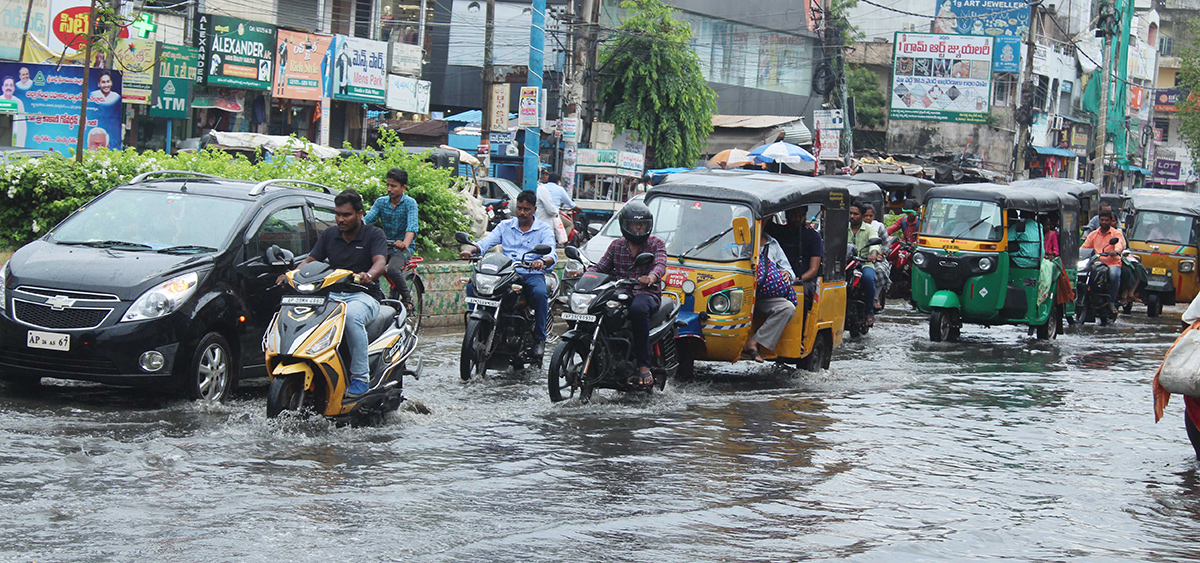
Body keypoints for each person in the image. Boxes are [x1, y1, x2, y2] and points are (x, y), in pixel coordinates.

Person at [277, 189, 387, 397]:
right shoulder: (329, 235)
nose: (340, 219)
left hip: (363, 296)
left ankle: (360, 377)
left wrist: (369, 275)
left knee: (351, 317)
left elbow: (380, 262)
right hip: (330, 296)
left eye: (346, 215)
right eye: (338, 214)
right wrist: (290, 275)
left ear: (359, 214)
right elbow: (311, 261)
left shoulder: (374, 234)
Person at [460, 190, 556, 357]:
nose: (522, 212)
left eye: (526, 209)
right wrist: (471, 249)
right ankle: (476, 326)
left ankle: (540, 338)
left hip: (530, 273)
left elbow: (551, 254)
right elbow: (485, 243)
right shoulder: (505, 226)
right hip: (505, 273)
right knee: (472, 286)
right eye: (519, 208)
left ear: (534, 209)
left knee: (540, 294)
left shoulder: (543, 229)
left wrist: (542, 262)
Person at [587, 201, 667, 386]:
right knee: (597, 309)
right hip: (621, 293)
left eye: (642, 225)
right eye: (634, 225)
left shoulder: (656, 244)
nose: (638, 229)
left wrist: (651, 277)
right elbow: (601, 267)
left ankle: (643, 366)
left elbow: (660, 265)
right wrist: (586, 274)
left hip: (647, 294)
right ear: (624, 225)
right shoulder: (616, 246)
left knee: (638, 310)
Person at [363, 167, 418, 310]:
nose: (389, 189)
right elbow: (367, 221)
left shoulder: (410, 203)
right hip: (384, 246)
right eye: (388, 185)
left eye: (393, 186)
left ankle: (407, 297)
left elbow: (412, 227)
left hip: (402, 248)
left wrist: (404, 243)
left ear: (403, 187)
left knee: (393, 269)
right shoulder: (381, 202)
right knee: (365, 267)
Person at [742, 232, 796, 362]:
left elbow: (789, 271)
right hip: (739, 292)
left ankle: (754, 342)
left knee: (788, 308)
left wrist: (786, 274)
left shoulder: (772, 243)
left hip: (764, 295)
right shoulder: (736, 239)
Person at [765, 206, 823, 309]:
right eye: (793, 215)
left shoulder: (813, 236)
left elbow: (813, 270)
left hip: (804, 280)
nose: (797, 219)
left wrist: (795, 280)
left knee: (803, 291)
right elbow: (766, 223)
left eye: (800, 215)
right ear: (787, 215)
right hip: (779, 277)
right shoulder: (778, 232)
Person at [1081, 209, 1126, 312]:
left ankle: (1111, 301)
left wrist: (1116, 251)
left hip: (1112, 263)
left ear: (1111, 221)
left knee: (1114, 275)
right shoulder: (1093, 234)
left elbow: (1119, 245)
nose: (1104, 222)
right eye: (1102, 220)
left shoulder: (1116, 234)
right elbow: (1085, 247)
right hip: (1096, 263)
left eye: (1106, 220)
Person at [848, 202, 881, 324]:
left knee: (868, 278)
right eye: (850, 213)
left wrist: (872, 254)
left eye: (855, 214)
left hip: (864, 263)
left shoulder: (869, 229)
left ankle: (869, 312)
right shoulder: (843, 227)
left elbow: (875, 244)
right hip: (847, 263)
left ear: (862, 216)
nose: (852, 216)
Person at [536, 172, 580, 245]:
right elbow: (568, 202)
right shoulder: (559, 189)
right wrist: (576, 207)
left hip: (541, 215)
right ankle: (561, 243)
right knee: (569, 224)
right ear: (558, 181)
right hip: (553, 215)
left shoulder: (541, 188)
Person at [863, 204, 890, 309]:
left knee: (880, 271)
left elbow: (886, 244)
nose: (868, 218)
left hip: (875, 258)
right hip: (857, 258)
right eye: (866, 216)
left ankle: (874, 298)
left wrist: (879, 254)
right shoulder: (852, 226)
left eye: (871, 216)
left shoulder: (878, 226)